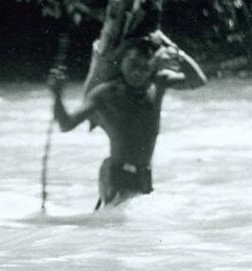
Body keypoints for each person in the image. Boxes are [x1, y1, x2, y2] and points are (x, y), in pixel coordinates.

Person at [48, 32, 206, 209]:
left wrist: (174, 51)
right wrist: (57, 95)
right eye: (133, 64)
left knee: (135, 232)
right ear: (121, 61)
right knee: (119, 226)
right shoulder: (106, 93)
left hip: (144, 176)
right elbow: (66, 124)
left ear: (153, 67)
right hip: (117, 175)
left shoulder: (158, 83)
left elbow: (198, 80)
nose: (138, 72)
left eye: (145, 67)